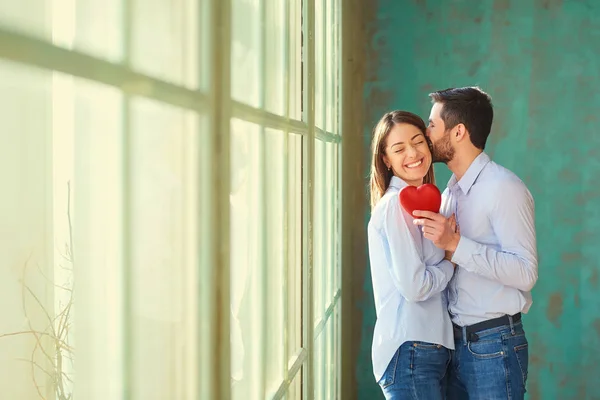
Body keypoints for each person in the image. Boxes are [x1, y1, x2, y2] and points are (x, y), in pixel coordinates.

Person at [412, 86, 538, 399]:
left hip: (495, 347)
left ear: (458, 132)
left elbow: (526, 273)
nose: (425, 134)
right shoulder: (448, 194)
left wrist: (456, 244)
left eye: (432, 125)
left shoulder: (504, 187)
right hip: (455, 345)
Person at [367, 110, 457, 400]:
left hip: (426, 349)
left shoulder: (431, 203)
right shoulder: (394, 205)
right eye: (399, 148)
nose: (413, 153)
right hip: (411, 351)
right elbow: (415, 287)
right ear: (385, 159)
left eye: (418, 141)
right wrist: (450, 261)